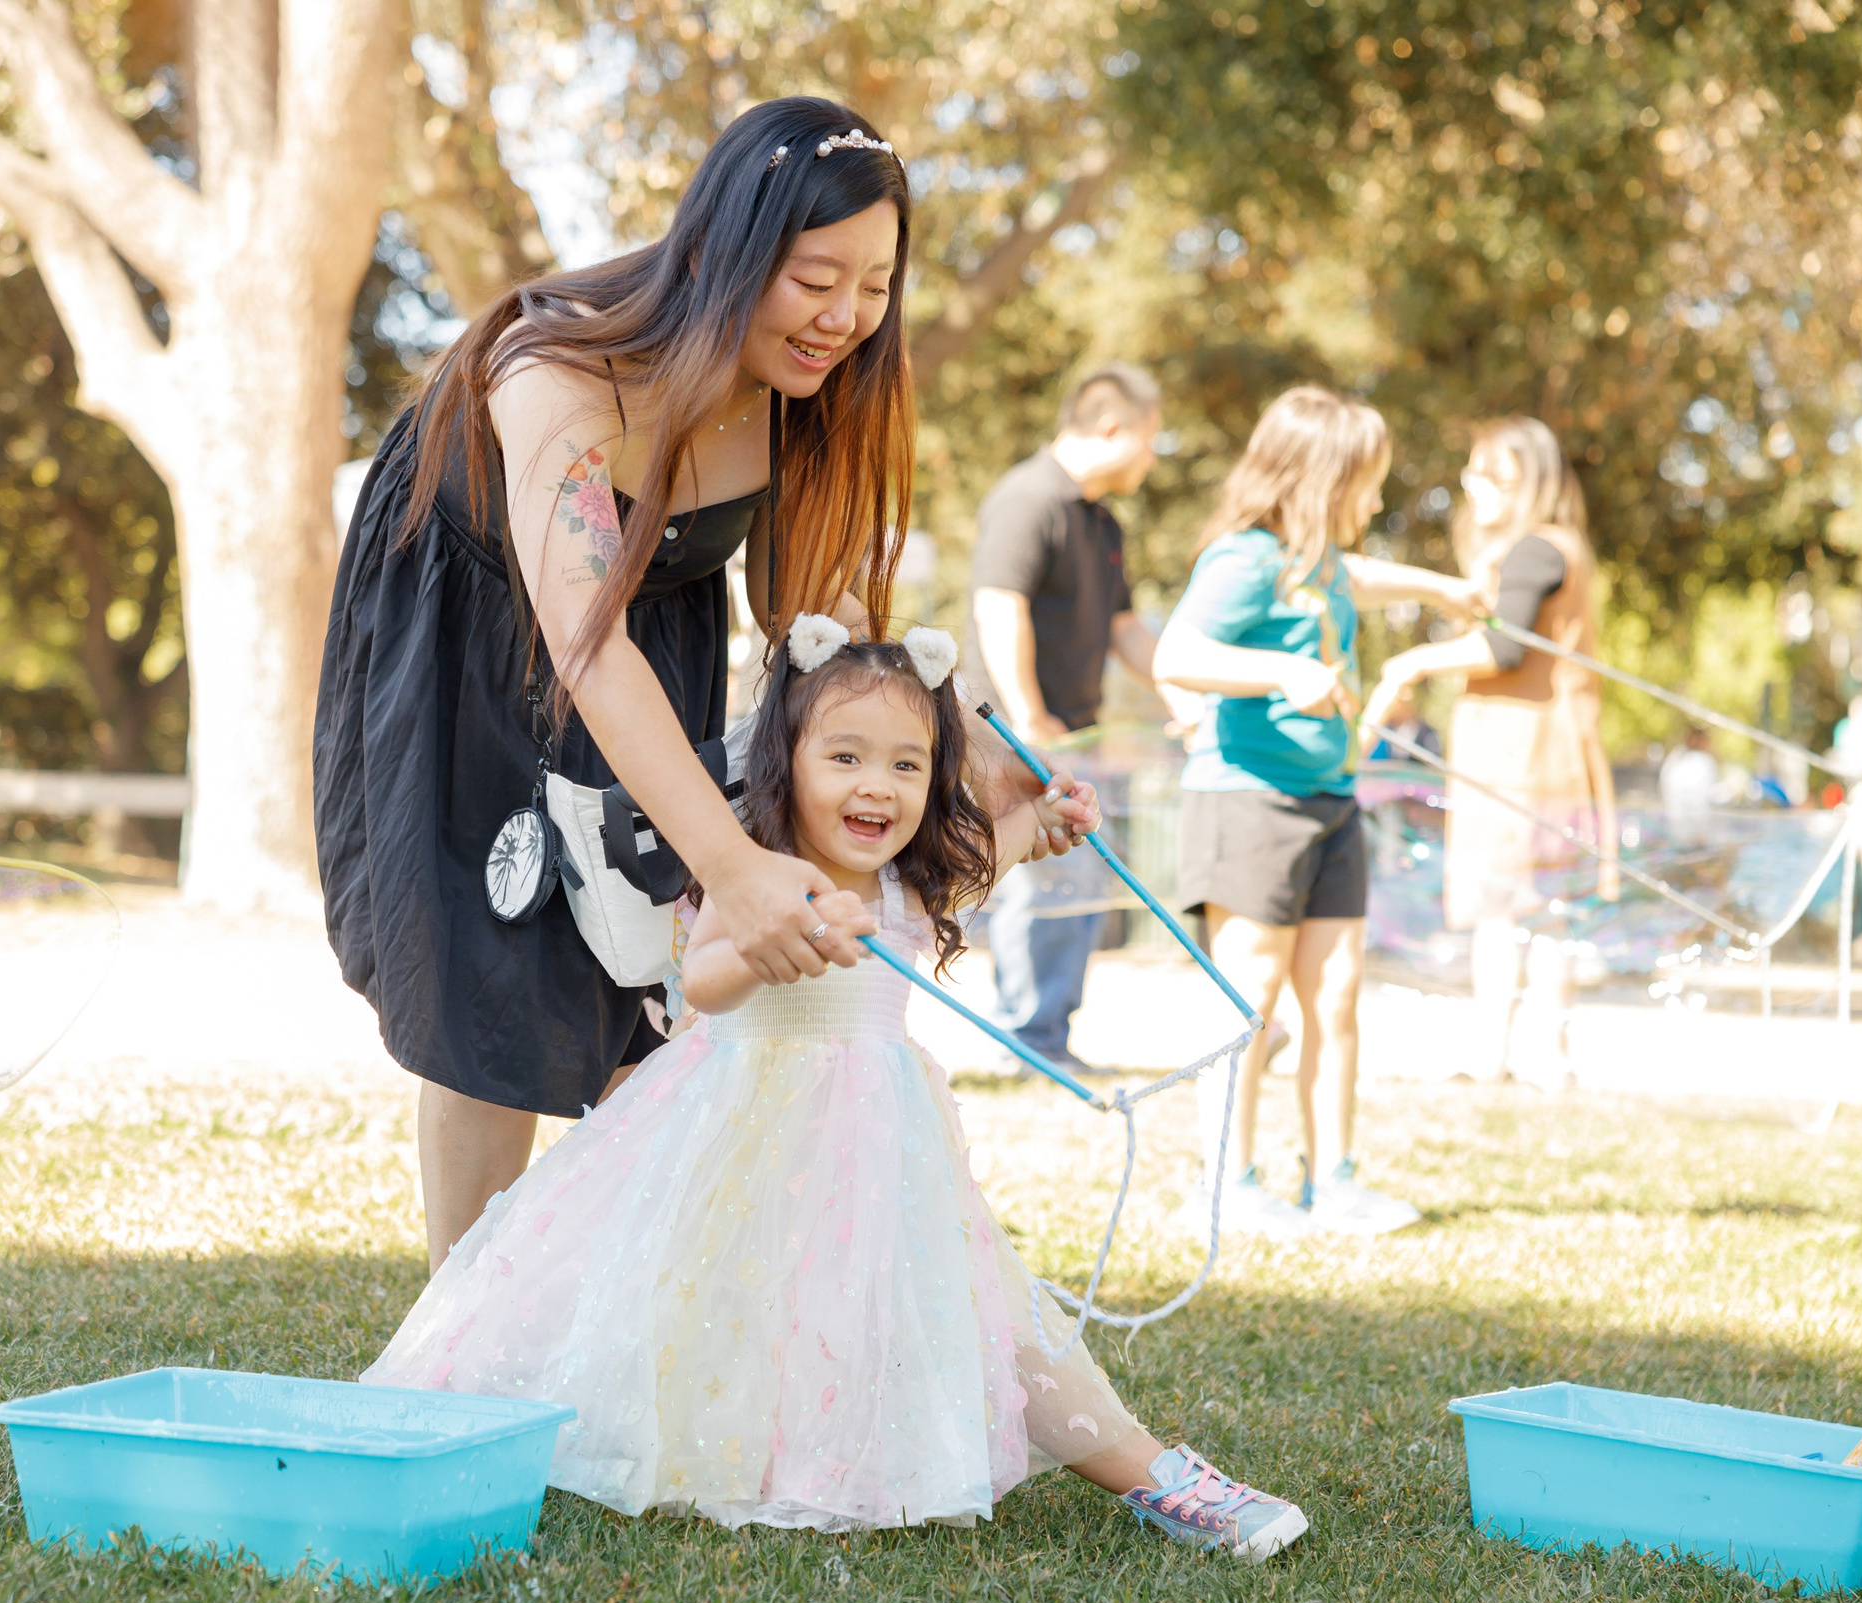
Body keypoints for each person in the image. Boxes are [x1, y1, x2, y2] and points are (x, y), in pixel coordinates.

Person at [316, 97, 1090, 1271]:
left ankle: (620, 1313)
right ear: (723, 253)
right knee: (490, 976)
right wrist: (733, 867)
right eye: (813, 278)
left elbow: (822, 623)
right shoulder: (557, 367)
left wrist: (980, 753)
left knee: (642, 977)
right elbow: (585, 644)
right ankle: (458, 1329)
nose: (844, 317)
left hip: (649, 642)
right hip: (470, 642)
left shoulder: (803, 397)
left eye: (874, 285)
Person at [364, 620, 1308, 1558]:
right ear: (788, 759)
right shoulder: (759, 875)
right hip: (739, 1131)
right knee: (709, 1298)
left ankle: (1153, 1477)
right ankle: (537, 1423)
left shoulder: (912, 886)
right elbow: (706, 981)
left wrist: (1049, 820)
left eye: (906, 764)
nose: (876, 785)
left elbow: (1005, 845)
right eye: (846, 756)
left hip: (876, 1148)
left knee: (944, 1304)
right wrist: (777, 948)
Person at [1153, 386, 1484, 1237]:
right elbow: (1176, 653)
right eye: (1365, 484)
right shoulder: (1244, 559)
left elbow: (1362, 579)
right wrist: (1284, 673)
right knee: (1250, 1000)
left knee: (1336, 999)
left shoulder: (1322, 563)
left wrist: (1446, 590)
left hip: (1331, 800)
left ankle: (1333, 1180)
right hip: (1250, 800)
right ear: (1320, 480)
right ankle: (1228, 1185)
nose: (1373, 504)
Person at [1361, 418, 1616, 1089]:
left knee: (1520, 908)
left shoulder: (1536, 550)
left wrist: (1412, 663)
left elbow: (1506, 647)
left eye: (1492, 473)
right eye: (1472, 471)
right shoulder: (1558, 547)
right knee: (1533, 909)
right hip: (1537, 750)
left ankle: (1516, 1053)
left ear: (1529, 480)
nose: (1474, 486)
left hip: (1526, 754)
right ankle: (1522, 1054)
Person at [968, 364, 1165, 1073]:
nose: (1152, 457)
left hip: (1078, 734)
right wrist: (1029, 717)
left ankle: (1047, 1036)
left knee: (1076, 883)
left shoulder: (1103, 522)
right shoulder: (1028, 498)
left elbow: (1126, 630)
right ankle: (1026, 1042)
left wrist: (1188, 699)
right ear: (1111, 427)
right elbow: (999, 606)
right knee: (1038, 882)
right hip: (1017, 736)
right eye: (1150, 439)